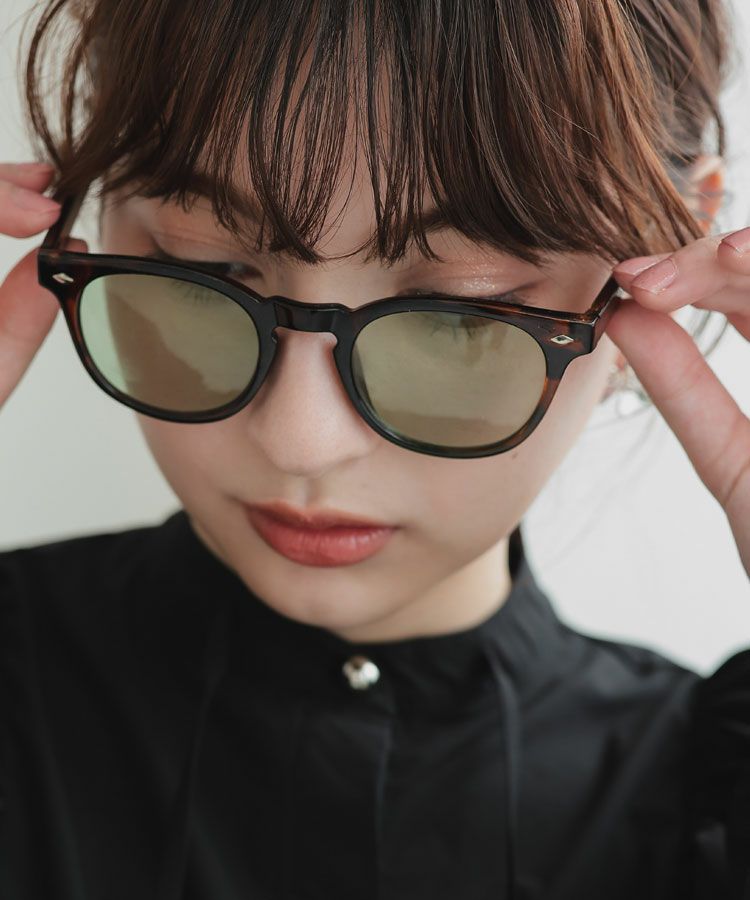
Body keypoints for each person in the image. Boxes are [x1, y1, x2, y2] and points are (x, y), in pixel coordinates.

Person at [0, 0, 748, 898]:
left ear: (675, 248)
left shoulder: (710, 799)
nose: (300, 441)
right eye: (205, 270)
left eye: (457, 309)